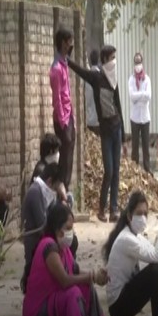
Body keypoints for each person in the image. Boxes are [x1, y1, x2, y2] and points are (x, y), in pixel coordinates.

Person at [22, 203, 129, 316]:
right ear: (57, 228)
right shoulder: (48, 246)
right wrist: (92, 276)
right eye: (68, 228)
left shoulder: (64, 250)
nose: (71, 232)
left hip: (53, 304)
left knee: (86, 288)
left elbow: (77, 273)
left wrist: (97, 275)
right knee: (73, 294)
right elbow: (64, 281)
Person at [68, 45, 127, 222]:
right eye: (111, 58)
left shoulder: (113, 79)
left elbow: (119, 106)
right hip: (106, 132)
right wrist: (67, 60)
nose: (114, 62)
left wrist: (124, 137)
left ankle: (113, 209)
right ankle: (102, 208)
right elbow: (81, 71)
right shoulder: (97, 77)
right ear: (104, 59)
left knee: (116, 170)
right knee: (108, 170)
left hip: (116, 129)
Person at [20, 162, 72, 293]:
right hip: (35, 240)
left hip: (45, 236)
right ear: (49, 181)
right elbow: (42, 223)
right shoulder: (35, 192)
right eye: (55, 186)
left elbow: (56, 214)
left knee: (71, 243)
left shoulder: (47, 191)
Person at [50, 26, 76, 190]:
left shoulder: (64, 64)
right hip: (63, 118)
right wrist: (63, 120)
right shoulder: (56, 69)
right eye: (68, 43)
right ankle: (60, 189)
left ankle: (66, 188)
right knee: (64, 157)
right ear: (62, 43)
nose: (70, 46)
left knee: (69, 155)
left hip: (69, 115)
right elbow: (57, 97)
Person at [30, 133, 72, 208]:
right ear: (50, 152)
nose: (58, 154)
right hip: (43, 207)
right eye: (57, 151)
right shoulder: (41, 169)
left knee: (69, 198)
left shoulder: (50, 167)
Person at [128, 52, 151, 173]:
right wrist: (142, 95)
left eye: (139, 62)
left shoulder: (147, 79)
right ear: (134, 63)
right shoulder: (131, 79)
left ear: (142, 63)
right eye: (136, 62)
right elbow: (132, 97)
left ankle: (147, 169)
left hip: (145, 118)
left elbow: (149, 96)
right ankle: (134, 169)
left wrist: (139, 96)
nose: (138, 65)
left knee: (146, 147)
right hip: (135, 118)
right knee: (135, 147)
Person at [85, 49, 101, 135]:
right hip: (99, 119)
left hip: (89, 118)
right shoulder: (101, 76)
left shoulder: (87, 77)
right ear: (98, 60)